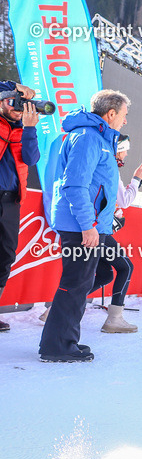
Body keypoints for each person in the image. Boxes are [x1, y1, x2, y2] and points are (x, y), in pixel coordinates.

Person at [38, 90, 128, 362]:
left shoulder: (98, 139)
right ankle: (58, 347)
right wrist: (88, 224)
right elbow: (75, 185)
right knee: (76, 284)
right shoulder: (89, 138)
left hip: (88, 225)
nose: (125, 122)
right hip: (81, 226)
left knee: (81, 282)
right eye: (124, 115)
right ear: (110, 114)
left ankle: (61, 342)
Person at [91, 134, 142, 333]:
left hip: (93, 226)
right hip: (98, 228)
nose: (126, 154)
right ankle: (114, 319)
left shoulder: (99, 160)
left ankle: (57, 308)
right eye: (125, 150)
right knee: (126, 267)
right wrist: (137, 180)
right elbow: (124, 200)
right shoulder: (110, 166)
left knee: (105, 274)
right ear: (118, 149)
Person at [0, 81, 40, 332]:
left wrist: (29, 129)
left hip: (11, 201)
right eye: (13, 102)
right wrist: (14, 85)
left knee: (5, 257)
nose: (18, 108)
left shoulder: (22, 129)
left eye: (22, 104)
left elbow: (31, 158)